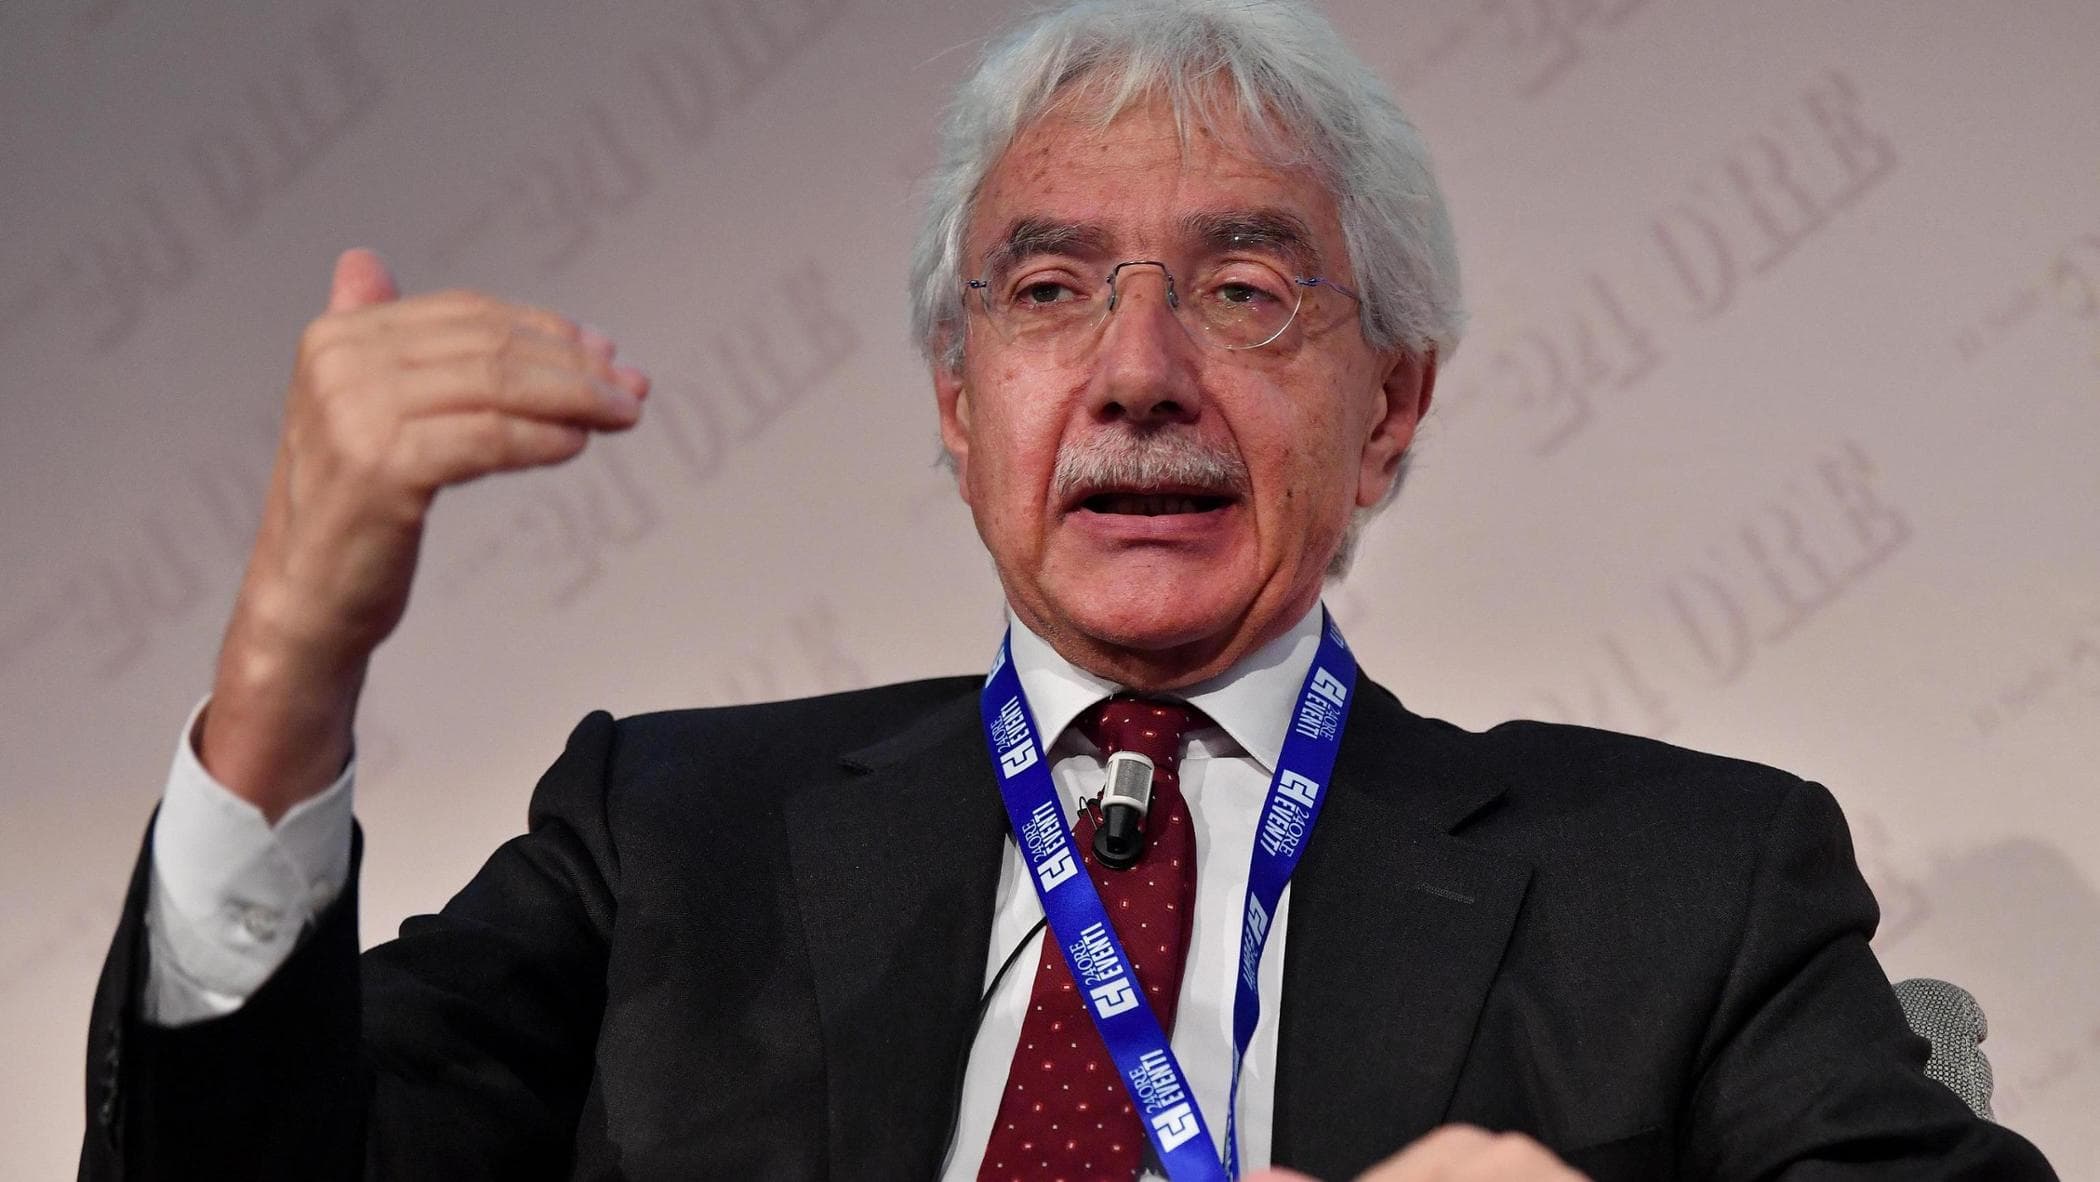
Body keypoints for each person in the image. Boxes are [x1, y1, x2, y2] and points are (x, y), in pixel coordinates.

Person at [79, 1, 2056, 1179]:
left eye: (1245, 287)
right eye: (1046, 290)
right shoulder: (667, 835)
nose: (1137, 369)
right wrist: (286, 670)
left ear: (1389, 408)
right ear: (960, 405)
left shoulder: (1684, 882)